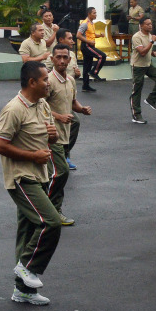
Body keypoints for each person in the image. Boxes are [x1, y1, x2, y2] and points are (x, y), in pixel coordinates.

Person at [0, 61, 62, 305]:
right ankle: (26, 267)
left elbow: (47, 136)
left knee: (29, 231)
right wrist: (33, 156)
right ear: (32, 82)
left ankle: (23, 291)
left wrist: (52, 137)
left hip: (40, 174)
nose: (49, 83)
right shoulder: (13, 109)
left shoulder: (42, 104)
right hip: (22, 177)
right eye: (45, 79)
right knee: (51, 222)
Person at [45, 45, 90, 219]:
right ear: (52, 59)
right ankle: (51, 211)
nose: (62, 60)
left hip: (64, 134)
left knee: (55, 174)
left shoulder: (70, 80)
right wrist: (59, 117)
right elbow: (41, 107)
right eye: (58, 57)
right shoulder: (48, 81)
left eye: (65, 57)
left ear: (70, 60)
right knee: (61, 171)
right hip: (51, 134)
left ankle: (52, 209)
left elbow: (72, 102)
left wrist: (82, 109)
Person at [129, 16, 156, 124]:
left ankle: (151, 100)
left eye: (151, 24)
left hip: (148, 64)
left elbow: (147, 49)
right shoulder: (136, 37)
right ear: (141, 25)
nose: (150, 26)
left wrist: (152, 53)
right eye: (148, 24)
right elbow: (142, 52)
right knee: (137, 90)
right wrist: (152, 42)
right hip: (138, 66)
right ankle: (136, 115)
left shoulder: (149, 36)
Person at [78, 7, 106, 92]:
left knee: (87, 66)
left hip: (89, 45)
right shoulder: (85, 23)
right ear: (89, 14)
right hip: (86, 46)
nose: (95, 14)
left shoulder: (91, 23)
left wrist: (99, 35)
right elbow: (78, 35)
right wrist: (89, 41)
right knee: (102, 56)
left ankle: (85, 86)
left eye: (95, 13)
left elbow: (91, 34)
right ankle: (94, 72)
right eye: (94, 13)